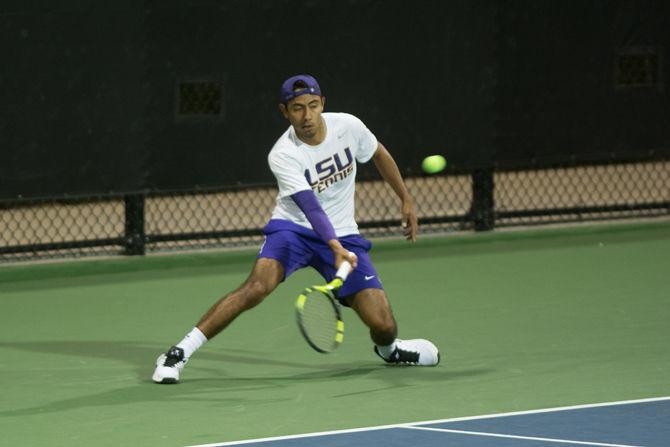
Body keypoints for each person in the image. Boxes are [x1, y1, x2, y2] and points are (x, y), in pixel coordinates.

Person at [152, 74, 439, 384]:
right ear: (284, 112)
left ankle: (390, 350)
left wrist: (406, 199)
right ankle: (178, 353)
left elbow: (379, 154)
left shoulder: (348, 126)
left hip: (344, 234)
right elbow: (310, 206)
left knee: (383, 325)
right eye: (298, 108)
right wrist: (334, 247)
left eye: (313, 106)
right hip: (294, 229)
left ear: (323, 104)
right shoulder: (283, 154)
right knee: (256, 288)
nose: (307, 116)